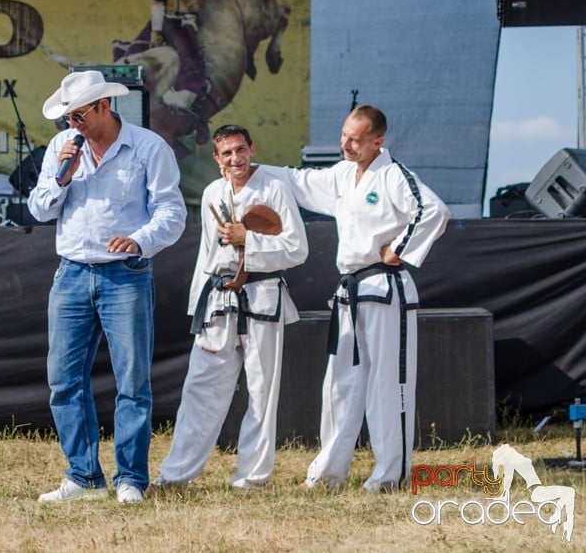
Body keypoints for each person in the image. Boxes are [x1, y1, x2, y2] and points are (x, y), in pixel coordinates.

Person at [263, 105, 450, 492]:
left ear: (377, 142)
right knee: (340, 385)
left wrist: (399, 247)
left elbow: (434, 210)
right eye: (344, 136)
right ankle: (328, 474)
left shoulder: (395, 175)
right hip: (351, 291)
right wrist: (253, 170)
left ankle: (389, 476)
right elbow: (299, 181)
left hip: (386, 288)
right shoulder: (343, 175)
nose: (346, 145)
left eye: (356, 140)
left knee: (389, 382)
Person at [27, 70, 187, 504]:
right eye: (66, 117)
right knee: (62, 379)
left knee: (132, 380)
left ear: (104, 106)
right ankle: (83, 477)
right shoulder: (61, 151)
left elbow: (172, 213)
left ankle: (131, 478)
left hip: (126, 273)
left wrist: (140, 239)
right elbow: (39, 210)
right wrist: (62, 177)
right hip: (72, 272)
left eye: (78, 115)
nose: (71, 125)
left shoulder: (148, 148)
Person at [152, 124, 307, 491]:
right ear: (217, 158)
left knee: (261, 392)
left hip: (262, 295)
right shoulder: (211, 194)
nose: (235, 158)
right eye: (227, 153)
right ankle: (175, 476)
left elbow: (297, 249)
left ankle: (251, 479)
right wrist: (198, 306)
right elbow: (207, 253)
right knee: (200, 388)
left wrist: (248, 239)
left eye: (241, 150)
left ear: (252, 149)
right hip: (219, 299)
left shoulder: (275, 189)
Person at [113, 0, 232, 140]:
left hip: (191, 20)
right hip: (166, 19)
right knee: (134, 47)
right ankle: (119, 102)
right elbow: (158, 0)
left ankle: (198, 115)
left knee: (192, 63)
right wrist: (156, 32)